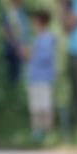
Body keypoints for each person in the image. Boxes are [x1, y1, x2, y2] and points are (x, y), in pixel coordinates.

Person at [22, 10, 55, 141]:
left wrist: (30, 55)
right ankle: (36, 131)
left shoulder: (47, 38)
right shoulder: (35, 38)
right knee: (35, 105)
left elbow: (45, 57)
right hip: (34, 77)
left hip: (44, 77)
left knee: (44, 105)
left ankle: (47, 131)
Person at [1, 0, 30, 85]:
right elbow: (5, 31)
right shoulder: (10, 12)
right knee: (14, 76)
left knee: (23, 75)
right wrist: (15, 46)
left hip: (22, 48)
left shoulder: (20, 11)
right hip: (14, 49)